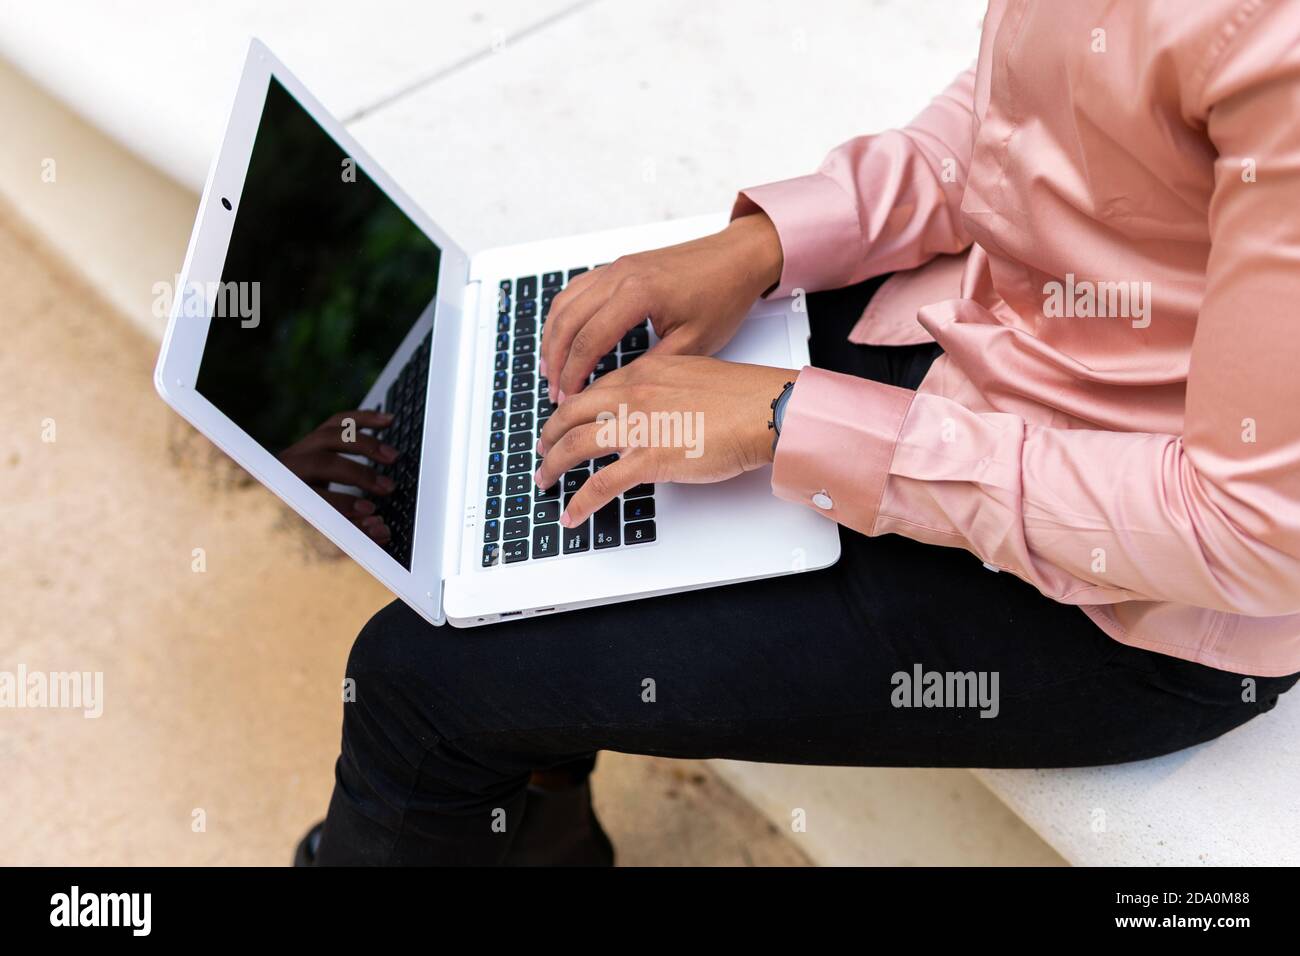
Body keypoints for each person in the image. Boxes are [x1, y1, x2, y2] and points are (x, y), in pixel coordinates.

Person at [296, 0, 1300, 865]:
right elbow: (1029, 129)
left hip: (1120, 598)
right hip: (963, 338)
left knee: (415, 681)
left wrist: (784, 420)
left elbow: (1249, 530)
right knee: (527, 445)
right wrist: (765, 242)